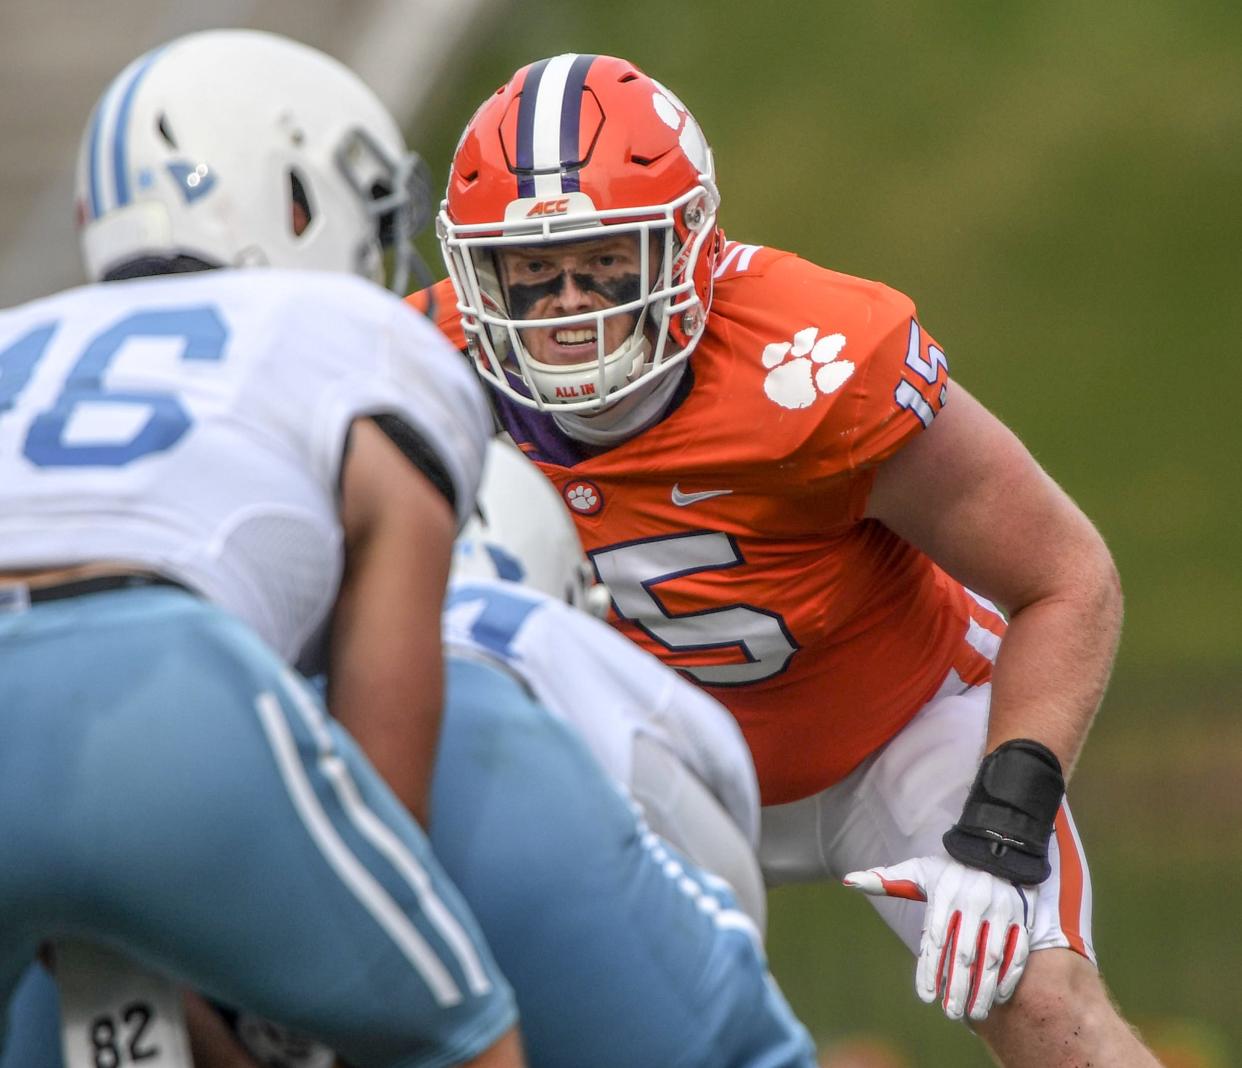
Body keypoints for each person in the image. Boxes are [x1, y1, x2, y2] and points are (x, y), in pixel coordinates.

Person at [416, 52, 1162, 1066]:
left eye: (604, 264)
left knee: (1044, 1002)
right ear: (475, 270)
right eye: (531, 273)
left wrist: (1001, 834)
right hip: (640, 768)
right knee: (500, 1007)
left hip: (897, 733)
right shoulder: (419, 368)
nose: (566, 309)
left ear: (687, 249)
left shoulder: (817, 360)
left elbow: (1067, 577)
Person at [0, 29, 522, 1068]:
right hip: (157, 682)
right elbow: (385, 813)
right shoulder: (350, 336)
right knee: (460, 1037)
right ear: (294, 193)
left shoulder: (16, 334)